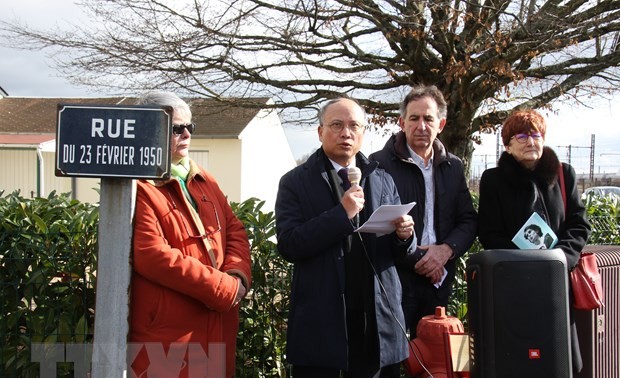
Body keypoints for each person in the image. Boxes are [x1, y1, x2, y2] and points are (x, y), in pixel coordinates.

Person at [275, 97, 415, 378]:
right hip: (323, 320)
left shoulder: (382, 178)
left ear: (363, 132)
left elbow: (402, 253)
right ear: (320, 132)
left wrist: (405, 237)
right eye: (336, 125)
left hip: (376, 318)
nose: (346, 133)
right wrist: (341, 214)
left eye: (354, 126)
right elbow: (290, 244)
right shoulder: (295, 182)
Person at [129, 91, 252, 377]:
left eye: (189, 127)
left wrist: (237, 275)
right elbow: (151, 254)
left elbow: (234, 228)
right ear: (148, 128)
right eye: (176, 128)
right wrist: (223, 289)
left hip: (216, 323)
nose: (186, 134)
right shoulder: (138, 185)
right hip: (169, 332)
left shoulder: (204, 178)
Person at [477, 109, 591, 373]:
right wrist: (523, 263)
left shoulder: (564, 174)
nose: (531, 141)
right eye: (522, 136)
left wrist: (561, 259)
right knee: (517, 359)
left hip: (556, 281)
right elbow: (489, 233)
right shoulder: (493, 180)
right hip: (513, 285)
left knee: (561, 360)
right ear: (508, 144)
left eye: (536, 135)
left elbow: (578, 224)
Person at [369, 85, 477, 336]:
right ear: (401, 122)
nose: (421, 126)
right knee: (392, 363)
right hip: (395, 280)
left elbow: (468, 220)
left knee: (434, 364)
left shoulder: (453, 166)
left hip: (439, 281)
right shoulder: (378, 164)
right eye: (414, 118)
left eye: (428, 118)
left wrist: (445, 250)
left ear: (441, 124)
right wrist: (421, 260)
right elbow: (375, 226)